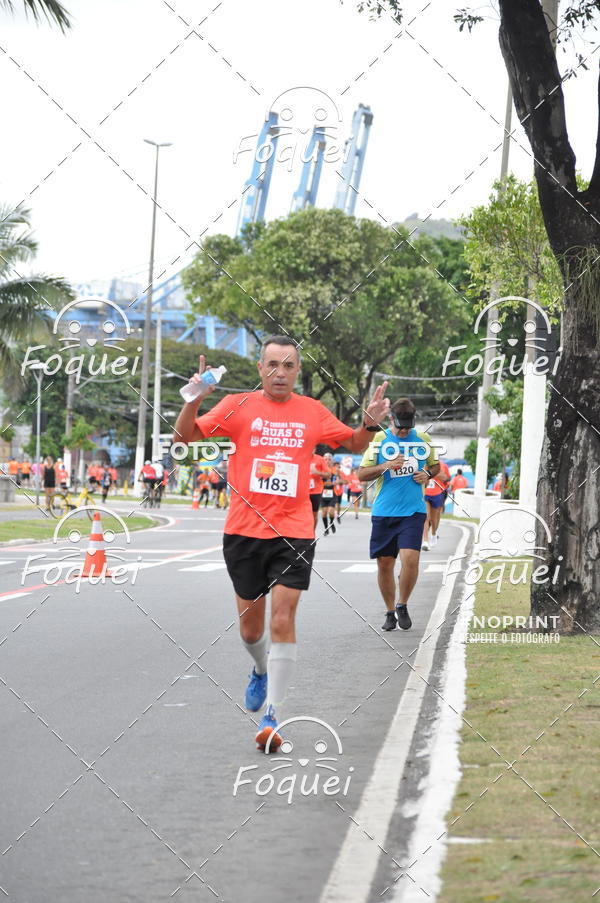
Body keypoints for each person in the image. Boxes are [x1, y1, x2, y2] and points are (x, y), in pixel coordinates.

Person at [174, 336, 389, 751]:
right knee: (251, 629)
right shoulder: (236, 405)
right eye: (272, 364)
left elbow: (354, 442)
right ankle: (260, 668)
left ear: (297, 371)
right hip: (243, 532)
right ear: (260, 368)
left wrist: (369, 423)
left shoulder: (312, 411)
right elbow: (184, 440)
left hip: (294, 531)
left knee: (283, 619)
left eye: (288, 366)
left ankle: (272, 716)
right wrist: (193, 400)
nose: (280, 373)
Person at [358, 397, 439, 632]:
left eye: (408, 427)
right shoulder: (379, 440)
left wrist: (427, 474)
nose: (404, 432)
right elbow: (361, 474)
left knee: (410, 559)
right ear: (391, 419)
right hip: (384, 512)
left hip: (413, 512)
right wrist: (386, 465)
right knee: (385, 564)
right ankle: (389, 611)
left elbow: (436, 466)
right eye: (400, 427)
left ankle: (402, 604)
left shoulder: (423, 439)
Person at [422, 457, 451, 550]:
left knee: (434, 519)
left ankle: (434, 533)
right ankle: (425, 541)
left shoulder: (442, 465)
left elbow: (446, 478)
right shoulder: (423, 464)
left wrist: (433, 473)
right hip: (425, 493)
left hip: (437, 493)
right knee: (426, 517)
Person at [309, 450, 328, 529]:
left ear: (315, 449)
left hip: (316, 491)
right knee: (301, 514)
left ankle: (312, 533)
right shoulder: (301, 457)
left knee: (314, 515)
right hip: (302, 491)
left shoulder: (320, 459)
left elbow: (328, 474)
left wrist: (317, 472)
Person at [321, 452, 338, 535]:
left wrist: (337, 482)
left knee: (331, 512)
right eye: (325, 459)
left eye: (329, 459)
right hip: (323, 493)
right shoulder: (320, 470)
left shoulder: (336, 470)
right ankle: (326, 528)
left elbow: (344, 480)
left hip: (333, 493)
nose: (327, 461)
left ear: (332, 461)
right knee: (324, 513)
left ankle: (331, 523)